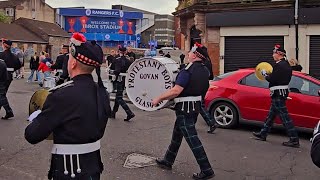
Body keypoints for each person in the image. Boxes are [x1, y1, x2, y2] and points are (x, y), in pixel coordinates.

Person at [25, 33, 111, 180]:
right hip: (93, 167)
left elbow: (32, 135)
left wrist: (40, 116)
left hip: (69, 169)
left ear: (73, 63)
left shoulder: (61, 96)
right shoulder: (102, 92)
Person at [152, 43, 215, 180]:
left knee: (193, 141)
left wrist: (159, 98)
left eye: (190, 53)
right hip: (195, 107)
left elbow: (176, 91)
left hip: (185, 108)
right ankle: (168, 160)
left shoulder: (188, 70)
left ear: (195, 55)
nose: (188, 54)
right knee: (177, 135)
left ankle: (207, 169)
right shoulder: (205, 70)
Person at [253, 44, 300, 148]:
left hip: (278, 94)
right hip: (280, 93)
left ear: (279, 54)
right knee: (271, 116)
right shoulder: (285, 64)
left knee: (285, 118)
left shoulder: (280, 65)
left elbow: (272, 79)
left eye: (274, 53)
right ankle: (263, 133)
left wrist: (265, 74)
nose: (273, 55)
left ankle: (294, 139)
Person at [110, 46, 135, 121]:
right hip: (124, 80)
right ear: (125, 52)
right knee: (118, 96)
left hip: (119, 80)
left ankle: (129, 113)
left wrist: (112, 72)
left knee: (119, 98)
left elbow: (116, 70)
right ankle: (113, 113)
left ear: (119, 52)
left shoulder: (117, 60)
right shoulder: (128, 61)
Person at [0, 39, 21, 119]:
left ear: (4, 45)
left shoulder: (1, 55)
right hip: (9, 76)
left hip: (2, 76)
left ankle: (9, 111)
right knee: (2, 94)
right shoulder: (14, 56)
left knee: (1, 95)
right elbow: (19, 65)